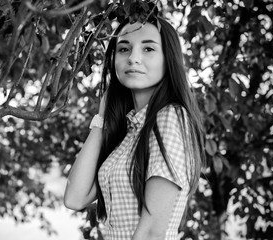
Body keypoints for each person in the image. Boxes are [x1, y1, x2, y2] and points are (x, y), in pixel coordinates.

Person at [64, 14, 205, 240]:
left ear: (168, 59)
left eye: (148, 49)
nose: (133, 58)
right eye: (123, 49)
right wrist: (101, 118)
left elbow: (151, 233)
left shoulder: (170, 118)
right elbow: (75, 197)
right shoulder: (131, 131)